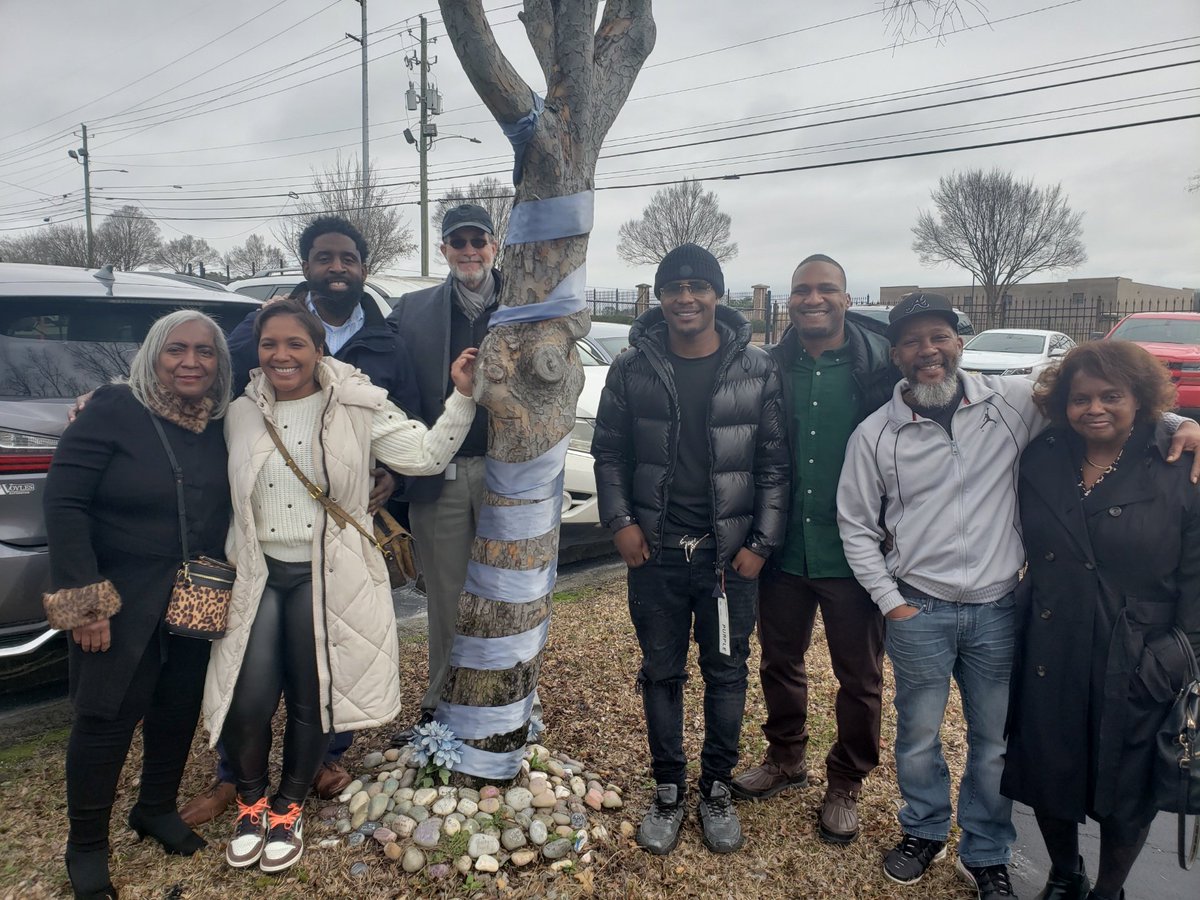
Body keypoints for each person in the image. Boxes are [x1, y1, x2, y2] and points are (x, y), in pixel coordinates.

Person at [836, 294, 1200, 900]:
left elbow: (1104, 393)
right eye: (912, 341)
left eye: (940, 337)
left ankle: (986, 851)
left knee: (996, 742)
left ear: (959, 341)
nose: (928, 351)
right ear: (895, 353)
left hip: (1001, 608)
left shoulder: (1008, 403)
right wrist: (888, 600)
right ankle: (923, 830)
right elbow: (855, 522)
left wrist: (1178, 424)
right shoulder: (876, 434)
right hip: (917, 607)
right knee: (919, 735)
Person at [202, 299, 477, 873]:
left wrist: (462, 395)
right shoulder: (238, 412)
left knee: (313, 697)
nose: (282, 355)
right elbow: (172, 420)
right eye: (269, 344)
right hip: (259, 573)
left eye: (295, 344)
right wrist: (102, 403)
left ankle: (286, 807)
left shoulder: (357, 404)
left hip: (328, 573)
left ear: (318, 347)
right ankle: (250, 799)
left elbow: (426, 456)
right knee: (245, 702)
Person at [184, 217, 418, 825]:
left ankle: (317, 760)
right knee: (250, 671)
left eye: (347, 258)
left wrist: (397, 478)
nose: (335, 267)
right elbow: (202, 380)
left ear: (363, 266)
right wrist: (115, 395)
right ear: (307, 264)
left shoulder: (388, 339)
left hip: (340, 520)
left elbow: (403, 420)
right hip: (267, 525)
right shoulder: (264, 324)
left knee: (329, 654)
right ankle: (234, 781)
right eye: (323, 257)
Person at [592, 244, 789, 855]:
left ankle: (717, 788)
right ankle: (671, 787)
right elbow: (610, 454)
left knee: (727, 671)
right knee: (661, 672)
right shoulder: (632, 366)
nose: (685, 298)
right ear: (660, 297)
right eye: (674, 287)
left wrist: (760, 542)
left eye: (698, 287)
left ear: (717, 296)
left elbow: (774, 467)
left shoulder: (757, 368)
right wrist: (620, 521)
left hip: (730, 562)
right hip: (656, 555)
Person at [44, 311, 234, 899]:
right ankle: (86, 847)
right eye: (176, 350)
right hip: (118, 599)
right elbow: (64, 502)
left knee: (177, 710)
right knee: (106, 720)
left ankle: (154, 809)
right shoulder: (112, 409)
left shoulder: (221, 422)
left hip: (195, 597)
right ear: (153, 354)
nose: (191, 363)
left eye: (205, 353)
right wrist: (85, 602)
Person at [1002, 341, 1200, 900]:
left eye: (1112, 396)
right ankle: (1064, 874)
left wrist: (1178, 656)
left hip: (1140, 652)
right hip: (1050, 640)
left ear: (1139, 399)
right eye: (1080, 398)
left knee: (1129, 786)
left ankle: (1110, 889)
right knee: (1048, 770)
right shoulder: (1041, 457)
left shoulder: (1178, 465)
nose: (1095, 408)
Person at [731, 254, 897, 846]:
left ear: (847, 299)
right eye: (801, 290)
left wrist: (1168, 422)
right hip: (781, 546)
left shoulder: (881, 368)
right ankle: (786, 757)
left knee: (860, 676)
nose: (812, 298)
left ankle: (847, 780)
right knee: (779, 659)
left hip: (857, 552)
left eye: (826, 289)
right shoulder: (768, 367)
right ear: (789, 301)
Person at [386, 203, 503, 736]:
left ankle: (515, 694)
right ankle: (443, 697)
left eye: (479, 240)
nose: (470, 251)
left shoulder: (524, 306)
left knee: (512, 593)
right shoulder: (412, 311)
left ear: (494, 246)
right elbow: (369, 361)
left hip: (512, 475)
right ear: (444, 251)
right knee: (447, 596)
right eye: (459, 242)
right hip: (443, 472)